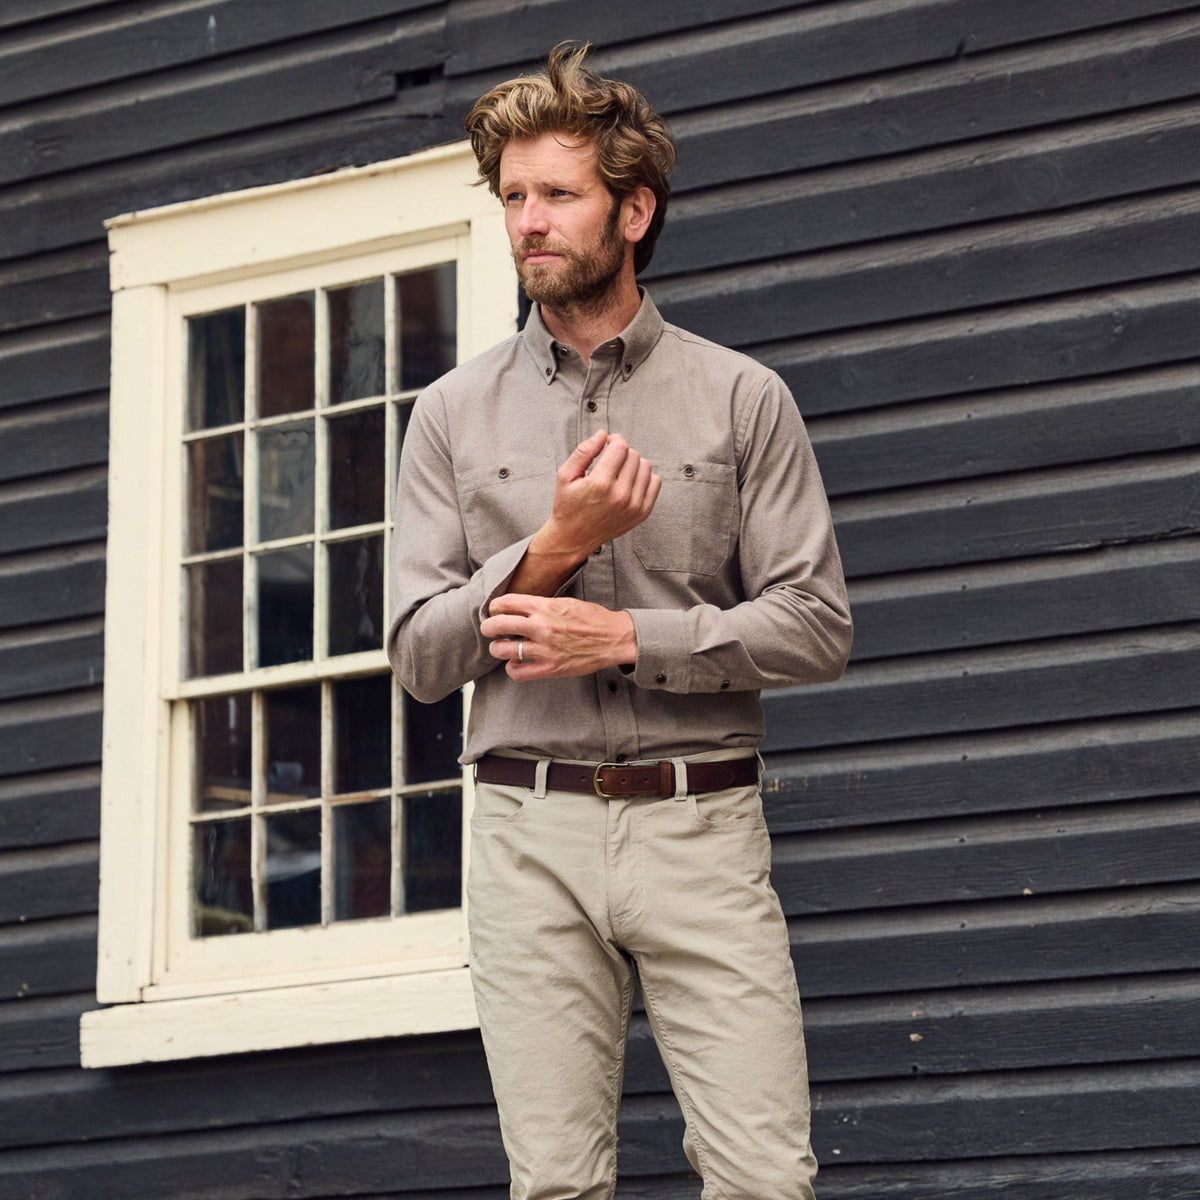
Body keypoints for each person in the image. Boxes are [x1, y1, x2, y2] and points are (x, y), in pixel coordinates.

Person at [387, 42, 852, 1200]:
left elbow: (815, 623)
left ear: (634, 209)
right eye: (512, 199)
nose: (528, 222)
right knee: (555, 1186)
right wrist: (554, 548)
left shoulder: (742, 398)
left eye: (558, 195)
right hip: (524, 833)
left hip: (702, 822)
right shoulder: (449, 414)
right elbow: (418, 656)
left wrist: (630, 641)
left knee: (764, 1178)